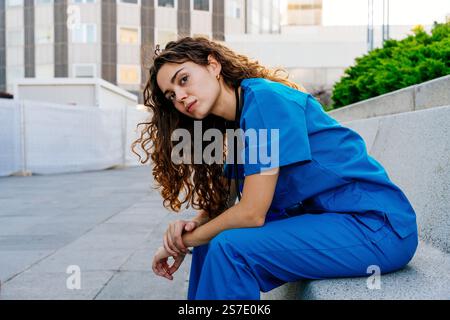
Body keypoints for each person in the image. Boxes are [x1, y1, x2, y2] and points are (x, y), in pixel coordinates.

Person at [132, 37, 418, 300]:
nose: (180, 96)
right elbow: (224, 205)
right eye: (171, 95)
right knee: (212, 241)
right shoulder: (240, 120)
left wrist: (183, 244)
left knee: (230, 249)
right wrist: (189, 228)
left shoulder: (266, 102)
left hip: (376, 228)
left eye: (184, 80)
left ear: (213, 65)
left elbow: (252, 213)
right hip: (334, 222)